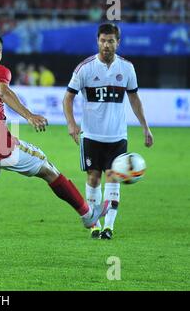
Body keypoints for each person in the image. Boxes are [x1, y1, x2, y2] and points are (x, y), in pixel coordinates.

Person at [0, 30, 108, 275]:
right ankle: (88, 216)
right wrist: (29, 115)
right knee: (48, 169)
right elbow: (3, 92)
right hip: (3, 147)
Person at [63, 23, 154, 240]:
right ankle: (94, 223)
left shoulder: (127, 68)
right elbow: (68, 97)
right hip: (92, 135)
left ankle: (108, 228)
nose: (106, 45)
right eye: (103, 40)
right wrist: (71, 124)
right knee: (93, 179)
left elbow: (134, 98)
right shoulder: (84, 68)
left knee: (113, 178)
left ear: (118, 43)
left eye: (111, 41)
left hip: (117, 136)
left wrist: (145, 127)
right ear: (97, 41)